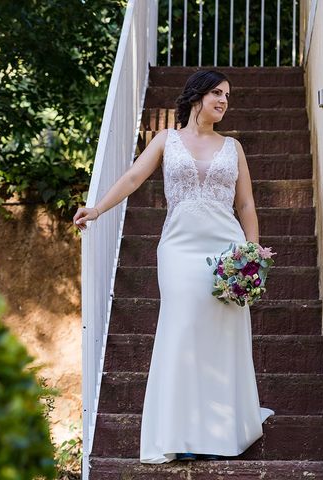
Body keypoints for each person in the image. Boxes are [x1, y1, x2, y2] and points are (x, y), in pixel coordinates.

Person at [73, 69, 274, 462]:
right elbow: (133, 177)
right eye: (216, 92)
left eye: (228, 96)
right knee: (180, 329)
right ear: (196, 96)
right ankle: (177, 432)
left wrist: (251, 252)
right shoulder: (167, 140)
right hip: (179, 248)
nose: (223, 101)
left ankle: (220, 431)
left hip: (226, 250)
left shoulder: (233, 147)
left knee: (223, 336)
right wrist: (96, 209)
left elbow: (246, 204)